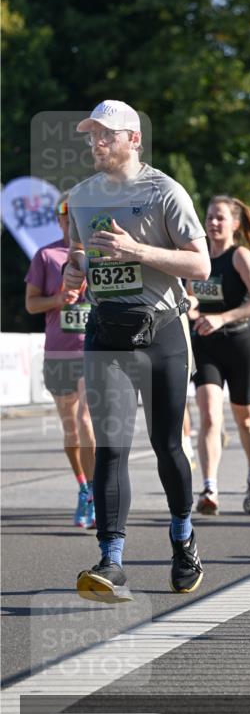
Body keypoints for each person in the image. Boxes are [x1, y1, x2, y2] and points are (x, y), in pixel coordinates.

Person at [63, 99, 210, 603]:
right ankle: (112, 561)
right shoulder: (80, 196)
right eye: (91, 135)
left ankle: (183, 536)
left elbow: (201, 267)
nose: (96, 143)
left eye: (106, 135)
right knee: (110, 448)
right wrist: (74, 269)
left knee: (167, 444)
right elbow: (77, 250)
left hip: (162, 333)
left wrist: (138, 252)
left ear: (133, 140)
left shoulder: (165, 192)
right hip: (106, 332)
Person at [188, 196, 250, 515]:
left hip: (241, 343)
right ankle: (209, 488)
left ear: (235, 224)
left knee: (245, 419)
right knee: (209, 414)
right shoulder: (196, 258)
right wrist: (189, 307)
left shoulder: (240, 256)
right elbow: (193, 297)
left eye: (220, 218)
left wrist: (222, 317)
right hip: (206, 344)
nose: (213, 223)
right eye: (209, 217)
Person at [25, 195, 96, 529]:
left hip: (92, 350)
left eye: (77, 214)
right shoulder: (46, 255)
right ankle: (83, 486)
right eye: (66, 214)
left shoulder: (99, 255)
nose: (70, 220)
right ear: (59, 219)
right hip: (58, 351)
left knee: (86, 420)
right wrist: (57, 299)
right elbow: (30, 305)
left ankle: (96, 495)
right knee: (71, 430)